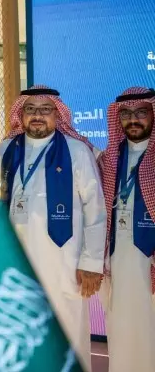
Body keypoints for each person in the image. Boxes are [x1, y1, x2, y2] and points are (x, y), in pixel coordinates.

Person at [0, 85, 105, 369]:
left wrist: (92, 262)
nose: (37, 115)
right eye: (30, 109)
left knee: (66, 334)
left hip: (64, 262)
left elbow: (95, 209)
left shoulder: (76, 150)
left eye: (45, 109)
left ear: (58, 114)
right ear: (21, 114)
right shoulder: (5, 150)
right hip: (16, 262)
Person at [98, 87, 155, 372]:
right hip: (118, 259)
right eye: (126, 114)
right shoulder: (110, 159)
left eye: (141, 112)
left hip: (150, 259)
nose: (133, 120)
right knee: (121, 331)